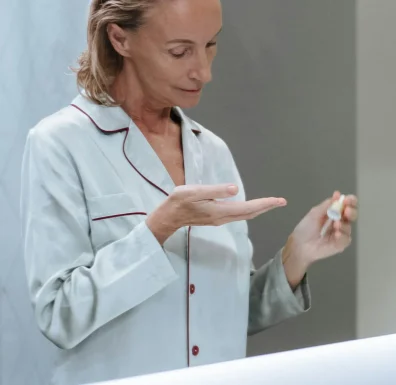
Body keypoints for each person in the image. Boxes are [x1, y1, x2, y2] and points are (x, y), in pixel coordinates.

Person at [20, 1, 358, 384]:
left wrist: (296, 256)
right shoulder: (60, 144)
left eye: (211, 45)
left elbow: (226, 314)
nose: (204, 71)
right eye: (180, 51)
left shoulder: (212, 152)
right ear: (119, 38)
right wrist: (159, 229)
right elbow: (59, 315)